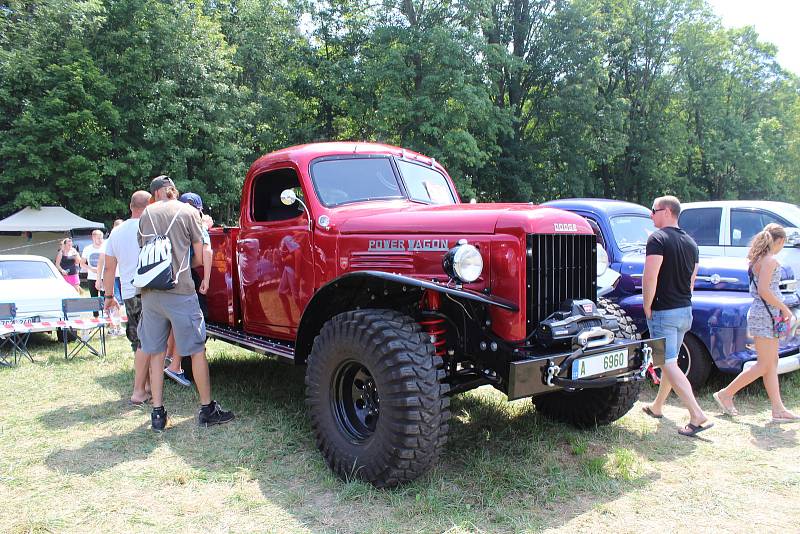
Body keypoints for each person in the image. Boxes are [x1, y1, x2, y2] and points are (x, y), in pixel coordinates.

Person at [137, 176, 234, 432]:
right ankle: (206, 409)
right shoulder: (189, 211)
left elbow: (143, 252)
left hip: (150, 292)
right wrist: (180, 265)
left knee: (157, 351)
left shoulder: (146, 213)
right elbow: (201, 257)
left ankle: (157, 414)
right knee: (195, 348)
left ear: (156, 193)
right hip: (180, 291)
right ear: (174, 192)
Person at [641, 195, 713, 437]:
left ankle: (697, 415)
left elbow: (650, 277)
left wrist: (647, 306)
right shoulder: (692, 243)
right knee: (669, 361)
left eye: (653, 210)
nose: (651, 215)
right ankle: (657, 406)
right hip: (684, 311)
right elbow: (691, 282)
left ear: (667, 211)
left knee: (667, 362)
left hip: (664, 312)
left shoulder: (657, 239)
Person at [713, 224, 800, 423]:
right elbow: (764, 291)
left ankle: (778, 409)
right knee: (764, 364)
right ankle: (726, 394)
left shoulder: (758, 260)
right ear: (779, 241)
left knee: (771, 364)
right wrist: (785, 309)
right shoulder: (770, 261)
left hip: (765, 314)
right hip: (765, 315)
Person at [103, 191, 153, 405]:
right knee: (149, 341)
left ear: (131, 206)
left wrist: (108, 296)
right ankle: (139, 390)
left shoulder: (116, 232)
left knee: (138, 341)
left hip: (129, 292)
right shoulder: (151, 227)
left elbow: (109, 268)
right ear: (149, 204)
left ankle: (147, 385)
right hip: (150, 290)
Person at [163, 192, 212, 387]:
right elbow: (205, 252)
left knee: (173, 321)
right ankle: (175, 366)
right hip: (186, 277)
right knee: (190, 322)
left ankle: (168, 359)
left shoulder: (169, 222)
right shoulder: (196, 223)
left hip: (166, 276)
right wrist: (206, 278)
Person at [82, 229, 106, 317]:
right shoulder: (87, 249)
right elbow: (82, 263)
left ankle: (106, 316)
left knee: (105, 297)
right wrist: (91, 269)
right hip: (92, 277)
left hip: (104, 276)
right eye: (98, 238)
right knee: (94, 298)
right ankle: (96, 317)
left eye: (102, 238)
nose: (100, 240)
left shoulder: (105, 247)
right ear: (93, 238)